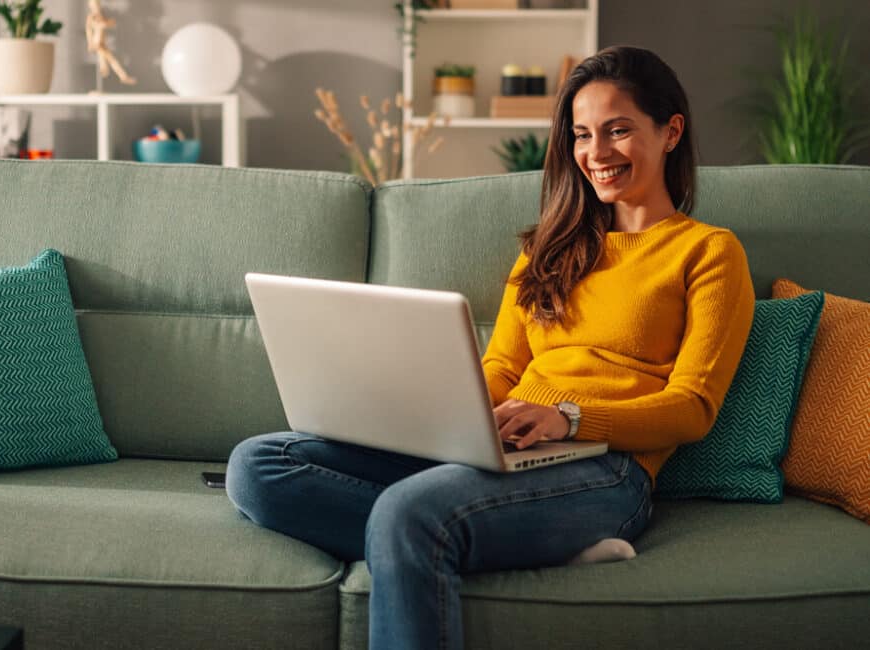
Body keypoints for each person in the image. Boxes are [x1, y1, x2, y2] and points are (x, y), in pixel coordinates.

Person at [225, 45, 755, 650]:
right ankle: (520, 544)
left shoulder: (709, 252)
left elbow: (693, 408)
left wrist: (566, 419)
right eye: (582, 135)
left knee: (409, 514)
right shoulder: (546, 250)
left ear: (670, 132)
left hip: (606, 470)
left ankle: (452, 533)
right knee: (260, 466)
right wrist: (444, 419)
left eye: (618, 131)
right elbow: (502, 367)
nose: (597, 154)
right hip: (495, 450)